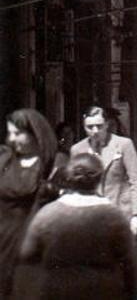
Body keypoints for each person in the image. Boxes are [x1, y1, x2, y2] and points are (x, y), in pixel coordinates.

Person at [19, 153, 137, 299]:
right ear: (99, 179)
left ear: (68, 178)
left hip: (58, 291)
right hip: (103, 291)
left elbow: (28, 254)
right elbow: (129, 264)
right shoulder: (114, 216)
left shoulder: (48, 214)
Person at [0, 109, 59, 297]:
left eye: (18, 133)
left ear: (35, 133)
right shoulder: (4, 160)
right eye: (9, 133)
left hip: (32, 242)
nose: (12, 138)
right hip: (3, 238)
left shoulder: (53, 164)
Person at [70, 106, 137, 237]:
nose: (95, 131)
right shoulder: (77, 149)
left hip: (120, 212)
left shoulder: (124, 145)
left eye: (99, 126)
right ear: (84, 127)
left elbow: (136, 180)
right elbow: (74, 185)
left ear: (107, 125)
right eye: (90, 127)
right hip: (89, 215)